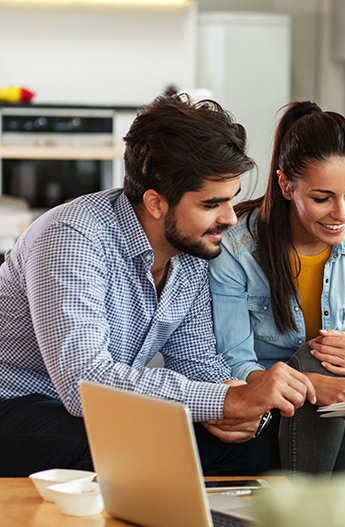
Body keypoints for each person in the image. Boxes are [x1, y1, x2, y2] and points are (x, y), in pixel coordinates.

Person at [0, 94, 315, 477]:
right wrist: (223, 401)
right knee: (123, 444)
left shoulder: (193, 253)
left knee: (249, 449)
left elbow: (197, 361)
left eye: (230, 201)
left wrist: (236, 407)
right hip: (17, 403)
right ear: (155, 203)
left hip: (92, 413)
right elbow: (84, 383)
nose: (230, 218)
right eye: (211, 204)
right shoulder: (72, 237)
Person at [209, 101, 345, 476]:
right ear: (285, 185)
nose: (342, 214)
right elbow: (235, 362)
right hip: (264, 408)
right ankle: (331, 512)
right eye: (322, 198)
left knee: (340, 369)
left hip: (331, 414)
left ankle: (326, 514)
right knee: (317, 358)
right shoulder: (237, 246)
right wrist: (313, 383)